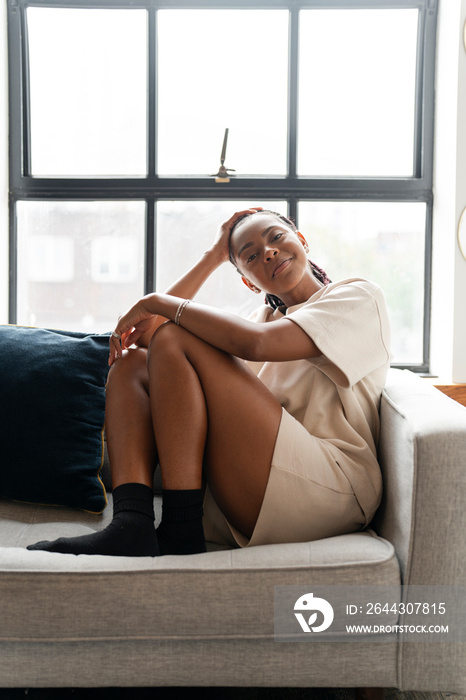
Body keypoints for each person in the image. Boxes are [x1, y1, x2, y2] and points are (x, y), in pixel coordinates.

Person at [27, 207, 391, 557]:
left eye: (276, 237)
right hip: (260, 482)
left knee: (175, 336)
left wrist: (157, 301)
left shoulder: (355, 296)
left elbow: (254, 342)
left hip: (333, 490)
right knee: (133, 365)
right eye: (250, 256)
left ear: (302, 240)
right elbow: (145, 333)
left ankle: (181, 527)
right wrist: (214, 256)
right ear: (248, 282)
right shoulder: (258, 317)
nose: (268, 252)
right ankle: (131, 523)